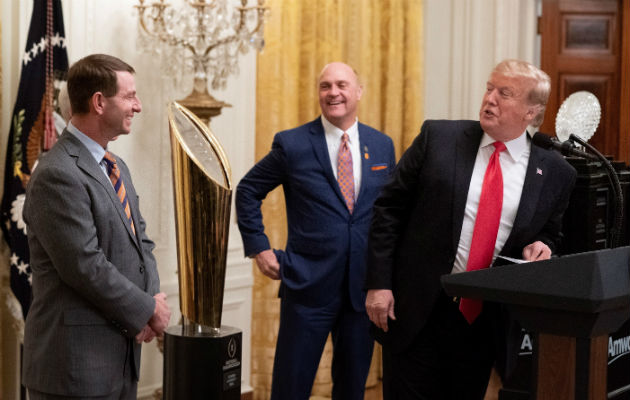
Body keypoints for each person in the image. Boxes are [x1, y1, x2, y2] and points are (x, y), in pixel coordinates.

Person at [365, 59, 577, 399]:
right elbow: (388, 209)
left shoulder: (555, 172)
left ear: (530, 112)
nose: (489, 99)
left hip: (483, 321)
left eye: (504, 93)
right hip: (417, 309)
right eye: (489, 88)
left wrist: (543, 245)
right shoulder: (438, 138)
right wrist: (378, 283)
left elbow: (551, 233)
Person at [236, 62, 396, 399]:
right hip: (307, 285)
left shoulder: (382, 146)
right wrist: (259, 247)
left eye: (341, 85)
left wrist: (387, 279)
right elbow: (248, 189)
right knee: (291, 386)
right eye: (325, 86)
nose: (333, 93)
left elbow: (389, 212)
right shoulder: (292, 144)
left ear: (358, 91)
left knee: (352, 387)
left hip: (361, 290)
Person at [22, 54, 171, 400]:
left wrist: (149, 303)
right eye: (130, 96)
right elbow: (84, 265)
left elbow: (142, 243)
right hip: (74, 368)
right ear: (99, 102)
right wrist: (148, 310)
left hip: (120, 357)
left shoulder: (116, 165)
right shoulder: (57, 173)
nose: (139, 106)